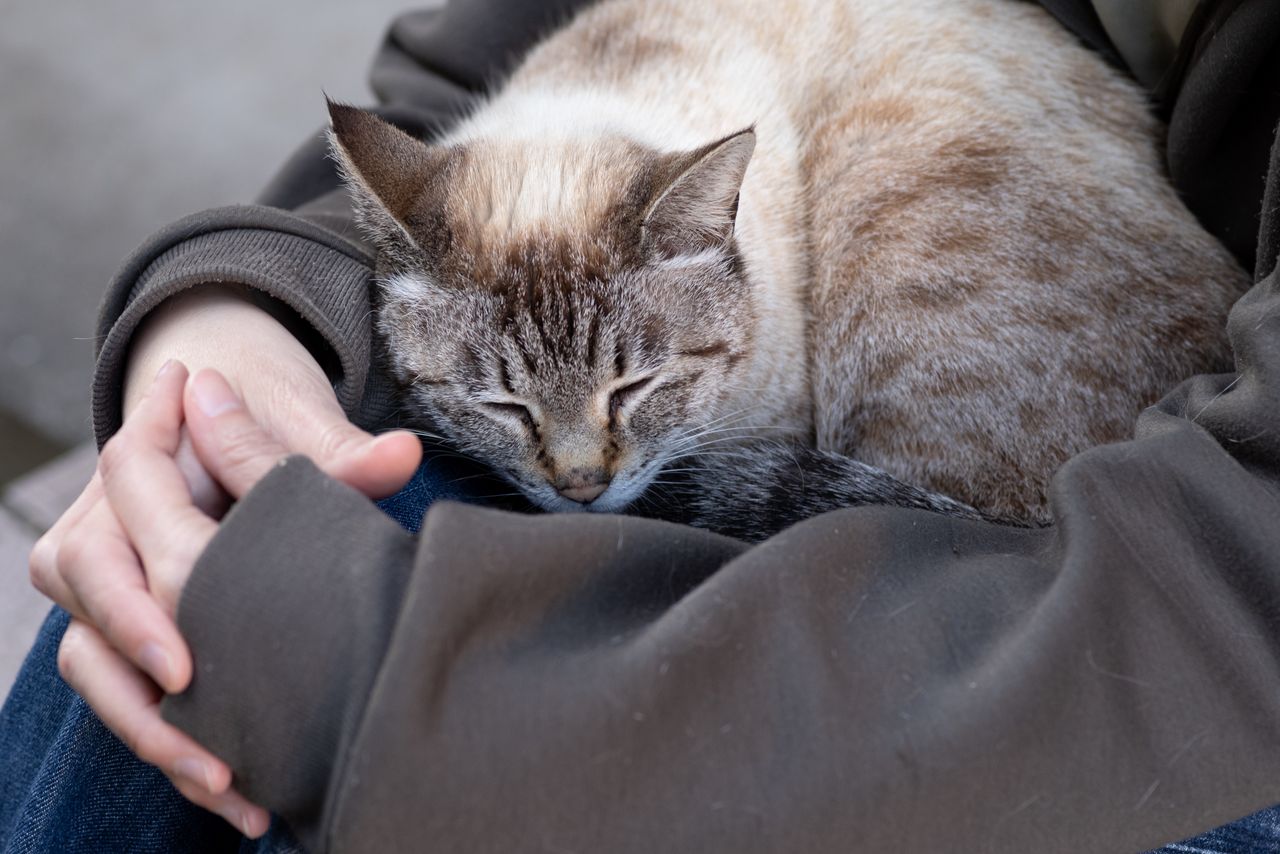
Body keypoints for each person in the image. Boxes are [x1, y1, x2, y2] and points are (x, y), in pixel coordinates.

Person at [4, 0, 1280, 851]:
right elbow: (441, 94)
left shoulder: (727, 230)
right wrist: (247, 300)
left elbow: (1233, 597)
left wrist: (416, 687)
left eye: (619, 409)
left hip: (1156, 626)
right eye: (523, 416)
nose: (581, 468)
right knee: (200, 532)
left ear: (706, 239)